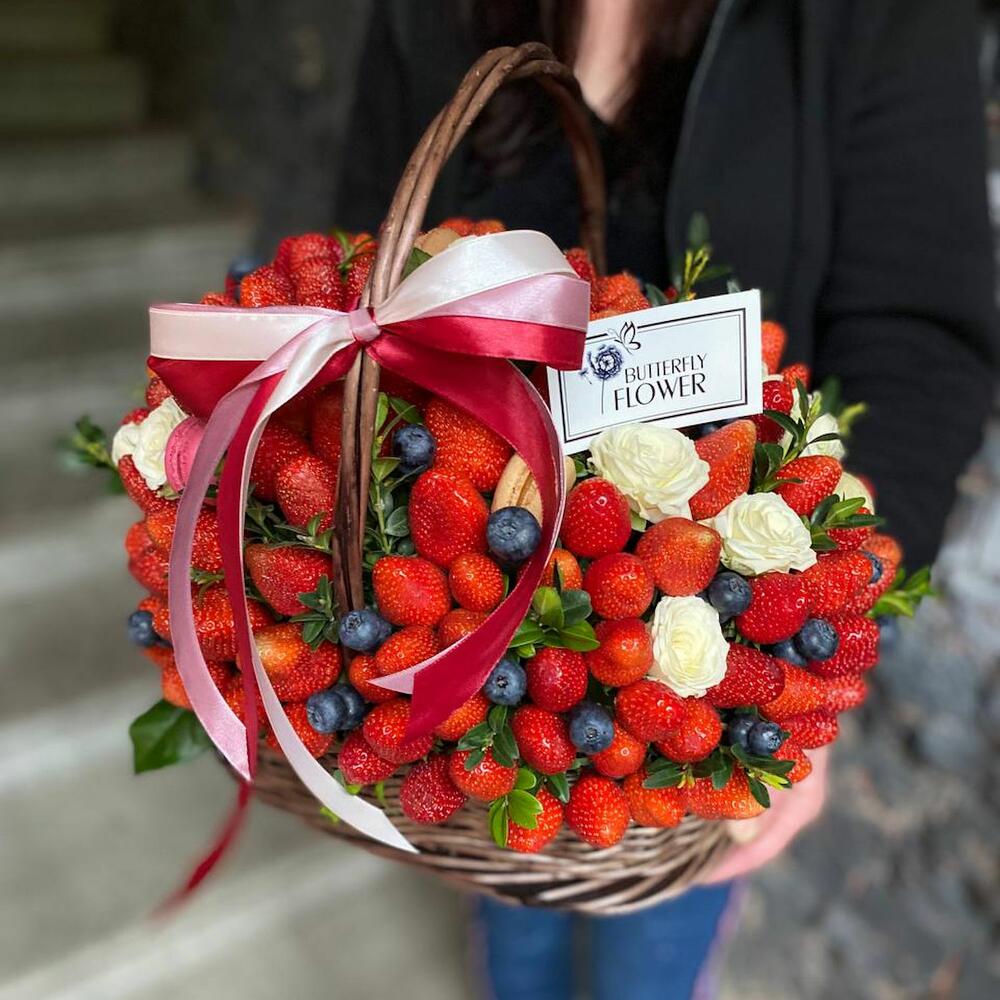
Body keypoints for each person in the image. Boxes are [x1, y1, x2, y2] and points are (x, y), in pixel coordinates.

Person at [332, 1, 997, 996]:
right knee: (511, 912)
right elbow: (363, 259)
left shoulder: (875, 19)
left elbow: (918, 347)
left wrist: (810, 647)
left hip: (701, 663)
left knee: (648, 955)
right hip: (468, 621)